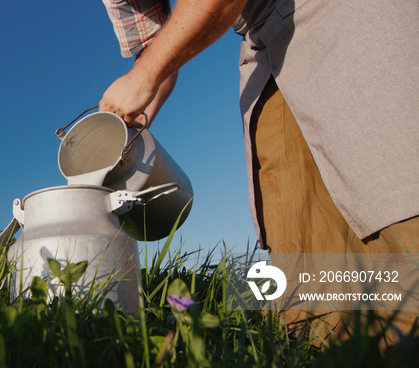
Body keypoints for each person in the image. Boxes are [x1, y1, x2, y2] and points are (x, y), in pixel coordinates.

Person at [99, 0, 419, 345]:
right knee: (295, 222)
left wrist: (142, 77)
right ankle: (322, 343)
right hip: (261, 36)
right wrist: (127, 126)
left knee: (382, 173)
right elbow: (153, 48)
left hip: (344, 12)